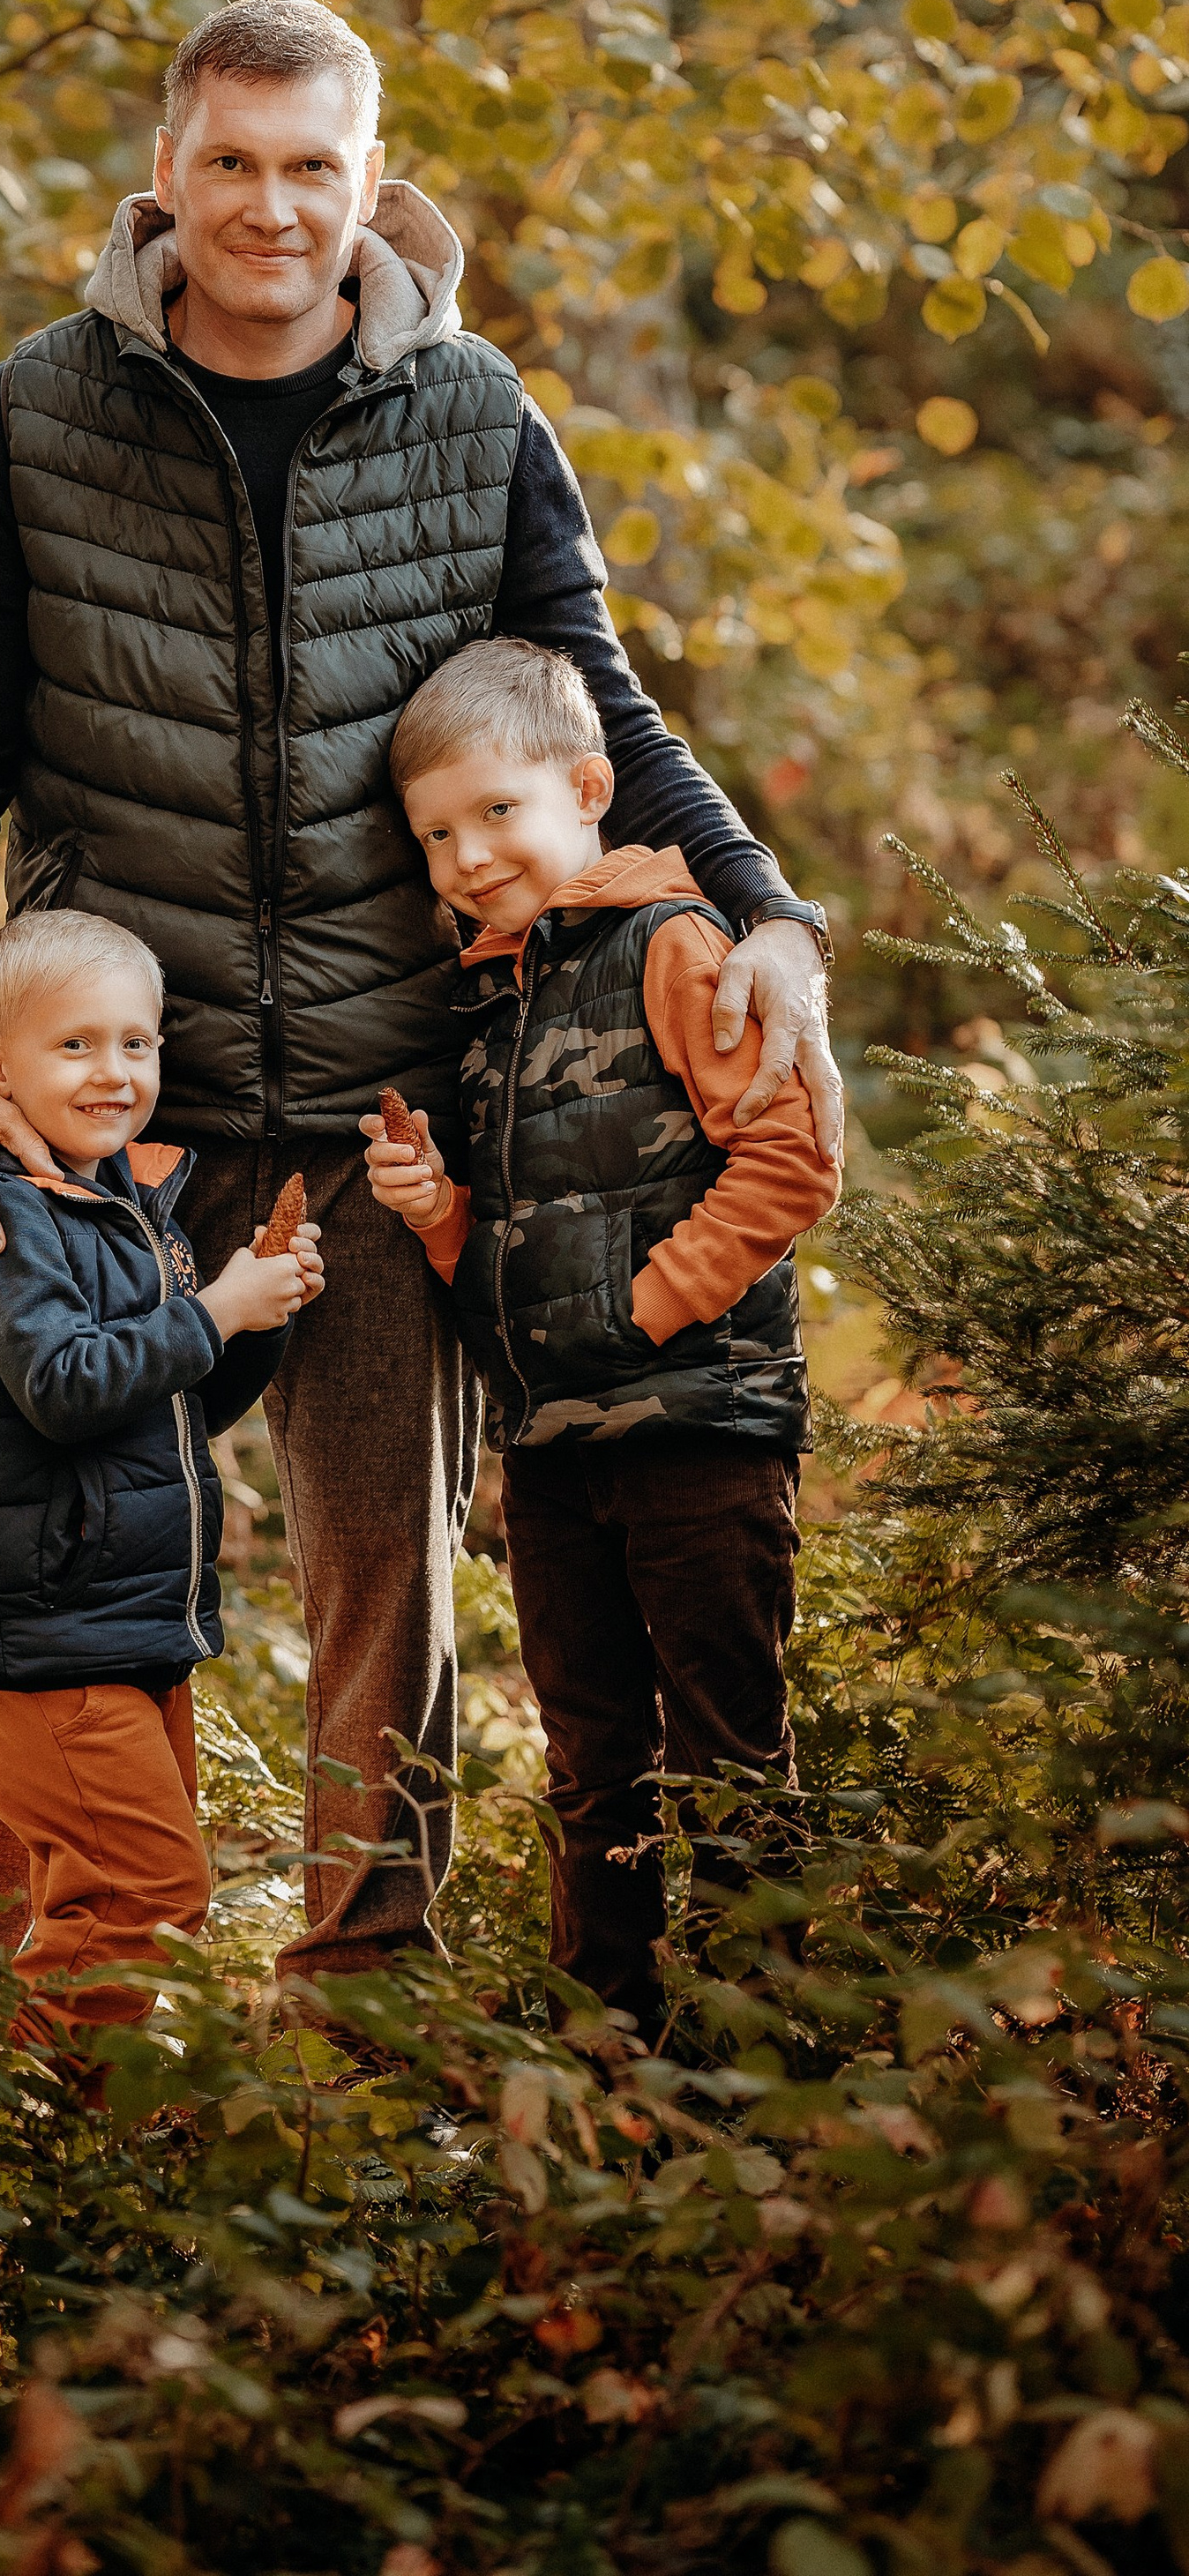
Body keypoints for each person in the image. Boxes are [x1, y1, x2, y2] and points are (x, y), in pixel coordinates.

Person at [0, 0, 841, 2015]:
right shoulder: (36, 414)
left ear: (367, 182)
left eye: (311, 165)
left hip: (388, 1117)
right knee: (34, 1564)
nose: (269, 205)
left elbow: (597, 711)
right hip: (106, 1112)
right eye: (229, 159)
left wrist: (762, 910)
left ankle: (359, 2028)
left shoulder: (473, 411)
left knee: (375, 1594)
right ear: (163, 176)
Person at [363, 636, 840, 2046]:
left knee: (727, 1753)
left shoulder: (674, 944)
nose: (466, 856)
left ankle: (765, 2051)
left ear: (587, 787)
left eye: (497, 812)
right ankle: (605, 2045)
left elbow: (793, 1155)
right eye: (438, 834)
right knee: (593, 1759)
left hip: (697, 1425)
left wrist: (647, 1307)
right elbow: (515, 1240)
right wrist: (442, 1213)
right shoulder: (492, 997)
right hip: (556, 1450)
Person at [0, 906, 321, 2035]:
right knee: (144, 1897)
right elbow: (65, 1388)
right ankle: (37, 2145)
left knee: (115, 1904)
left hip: (125, 1623)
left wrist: (257, 1317)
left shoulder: (118, 1210)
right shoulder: (2, 1207)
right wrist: (210, 1308)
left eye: (135, 1045)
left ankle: (82, 2140)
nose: (113, 1072)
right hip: (51, 1633)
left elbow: (172, 1412)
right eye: (75, 1045)